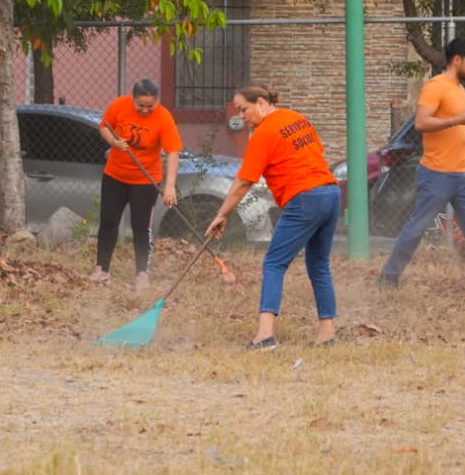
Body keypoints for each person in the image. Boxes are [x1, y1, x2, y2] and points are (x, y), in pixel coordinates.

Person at [379, 38, 465, 297]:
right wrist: (456, 119)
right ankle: (389, 275)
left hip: (464, 174)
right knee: (418, 226)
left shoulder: (459, 88)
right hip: (437, 174)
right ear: (457, 60)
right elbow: (421, 122)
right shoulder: (436, 86)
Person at [207, 85, 342, 349]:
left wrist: (222, 214)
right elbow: (317, 153)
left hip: (305, 198)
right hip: (331, 193)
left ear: (260, 102)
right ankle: (327, 334)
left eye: (243, 109)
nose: (241, 116)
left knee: (274, 263)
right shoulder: (298, 119)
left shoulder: (264, 133)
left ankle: (265, 336)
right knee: (319, 265)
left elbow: (244, 181)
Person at [95, 78, 181, 290]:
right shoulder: (119, 105)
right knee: (108, 221)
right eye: (140, 105)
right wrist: (113, 142)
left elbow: (173, 152)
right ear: (132, 99)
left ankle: (142, 273)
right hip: (115, 175)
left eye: (150, 106)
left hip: (146, 180)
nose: (144, 110)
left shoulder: (163, 117)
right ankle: (102, 269)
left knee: (141, 226)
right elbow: (104, 127)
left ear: (157, 101)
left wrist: (170, 185)